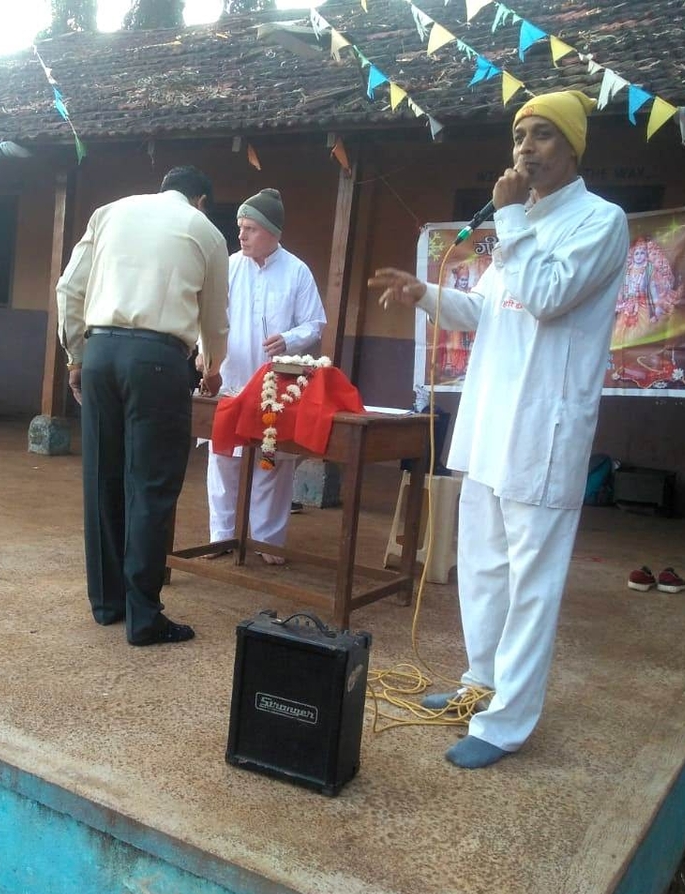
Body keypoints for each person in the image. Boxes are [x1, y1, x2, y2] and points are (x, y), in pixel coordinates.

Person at [369, 90, 629, 768]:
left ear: (572, 149)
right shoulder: (523, 223)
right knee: (481, 568)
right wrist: (424, 294)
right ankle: (478, 685)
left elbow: (545, 297)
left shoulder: (600, 222)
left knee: (531, 583)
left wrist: (510, 217)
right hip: (488, 424)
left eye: (542, 136)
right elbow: (487, 311)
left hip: (543, 431)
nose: (525, 149)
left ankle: (507, 723)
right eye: (520, 137)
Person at [58, 166, 229, 646]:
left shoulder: (109, 213)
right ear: (199, 199)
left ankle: (108, 604)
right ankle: (144, 615)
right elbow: (215, 317)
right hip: (158, 359)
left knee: (102, 477)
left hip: (101, 352)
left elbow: (69, 288)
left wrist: (77, 355)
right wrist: (212, 364)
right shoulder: (206, 231)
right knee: (151, 486)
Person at [204, 188, 326, 566]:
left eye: (251, 228)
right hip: (232, 382)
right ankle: (221, 536)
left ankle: (267, 542)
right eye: (240, 227)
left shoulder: (297, 271)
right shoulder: (230, 266)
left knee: (271, 463)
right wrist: (205, 355)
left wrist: (289, 338)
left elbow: (315, 323)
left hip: (277, 387)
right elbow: (207, 315)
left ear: (273, 233)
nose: (241, 235)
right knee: (223, 458)